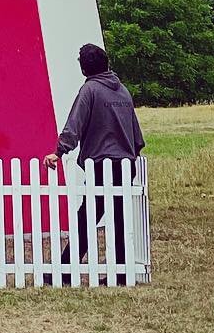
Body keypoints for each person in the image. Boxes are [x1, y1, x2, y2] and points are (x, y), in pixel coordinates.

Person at [45, 43, 145, 284]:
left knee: (87, 218)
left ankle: (66, 272)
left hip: (102, 163)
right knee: (119, 219)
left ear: (84, 67)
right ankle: (121, 274)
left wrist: (59, 152)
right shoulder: (122, 91)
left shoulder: (90, 90)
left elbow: (75, 124)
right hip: (126, 163)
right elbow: (136, 133)